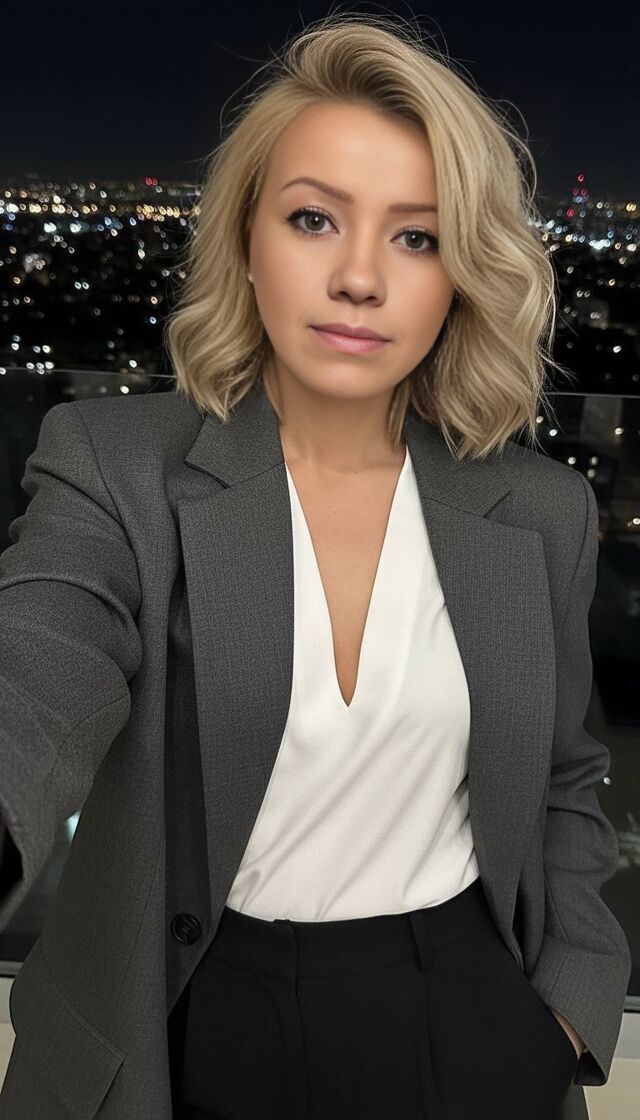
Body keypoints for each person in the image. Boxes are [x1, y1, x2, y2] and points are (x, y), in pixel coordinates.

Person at [0, 12, 631, 1120]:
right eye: (312, 219)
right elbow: (37, 668)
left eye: (417, 237)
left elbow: (563, 777)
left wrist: (568, 1005)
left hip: (462, 1016)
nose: (358, 277)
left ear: (461, 274)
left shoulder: (541, 510)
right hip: (187, 1019)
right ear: (246, 241)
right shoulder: (116, 465)